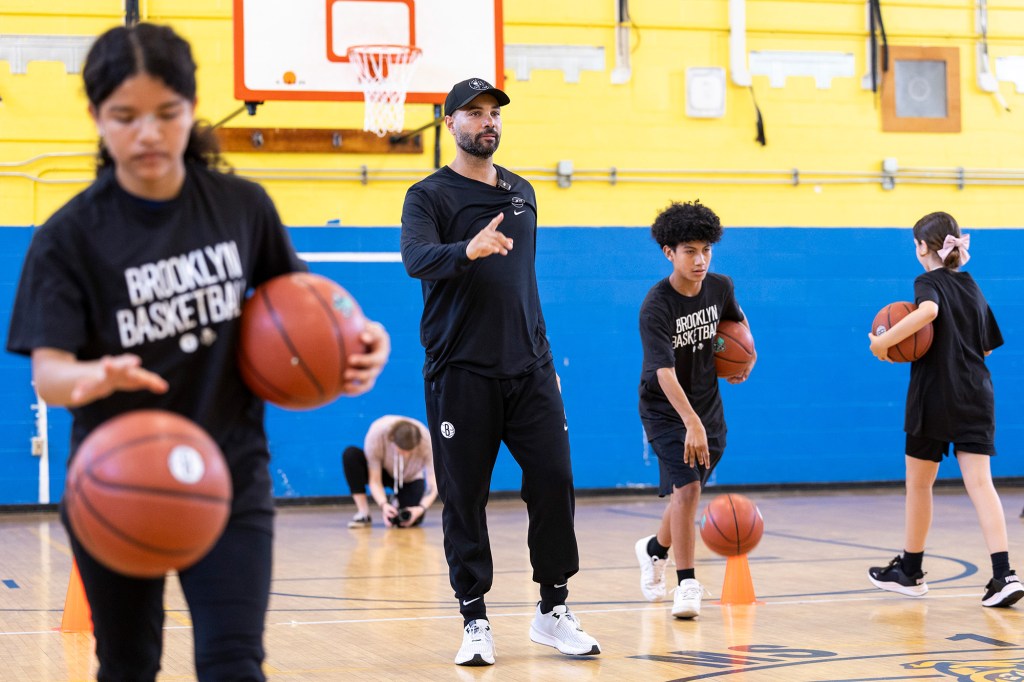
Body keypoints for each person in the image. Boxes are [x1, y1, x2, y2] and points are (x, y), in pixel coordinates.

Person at [5, 23, 389, 680]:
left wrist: (362, 342)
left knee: (235, 664)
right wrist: (96, 373)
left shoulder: (241, 207)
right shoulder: (69, 237)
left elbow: (302, 313)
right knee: (127, 665)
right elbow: (49, 377)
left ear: (191, 110)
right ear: (98, 117)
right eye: (125, 116)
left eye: (167, 113)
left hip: (231, 474)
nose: (148, 133)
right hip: (115, 480)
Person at [399, 77, 600, 666]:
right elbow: (416, 260)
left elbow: (525, 288)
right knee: (465, 497)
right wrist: (467, 250)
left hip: (530, 367)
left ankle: (552, 609)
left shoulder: (523, 191)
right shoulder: (427, 196)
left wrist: (546, 354)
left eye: (493, 113)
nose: (487, 122)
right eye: (474, 113)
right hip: (460, 372)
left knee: (554, 480)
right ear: (450, 124)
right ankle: (475, 618)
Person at [866, 211, 1022, 608]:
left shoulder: (926, 281)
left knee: (919, 484)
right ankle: (1004, 575)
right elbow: (986, 346)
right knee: (981, 484)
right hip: (977, 392)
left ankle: (911, 571)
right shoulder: (972, 285)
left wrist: (883, 344)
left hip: (935, 394)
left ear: (922, 246)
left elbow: (929, 313)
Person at [633, 200, 755, 619]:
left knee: (685, 495)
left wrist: (748, 357)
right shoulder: (656, 305)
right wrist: (691, 423)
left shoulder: (721, 286)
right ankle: (687, 582)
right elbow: (663, 372)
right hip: (667, 409)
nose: (700, 259)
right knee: (688, 490)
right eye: (690, 251)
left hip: (707, 405)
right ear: (669, 252)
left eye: (706, 249)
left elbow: (737, 325)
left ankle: (654, 548)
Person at [343, 415, 436, 528]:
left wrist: (420, 508)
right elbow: (375, 480)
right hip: (383, 472)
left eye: (410, 451)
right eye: (402, 450)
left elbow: (433, 483)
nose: (406, 455)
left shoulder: (428, 442)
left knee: (409, 520)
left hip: (409, 478)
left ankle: (397, 502)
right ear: (391, 440)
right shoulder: (377, 434)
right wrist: (384, 505)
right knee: (351, 455)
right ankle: (363, 514)